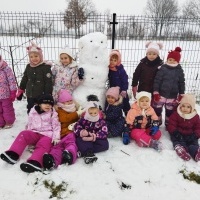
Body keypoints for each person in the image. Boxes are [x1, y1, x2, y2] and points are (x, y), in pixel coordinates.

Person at [0, 94, 61, 173]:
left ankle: (35, 162)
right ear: (39, 103)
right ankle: (13, 154)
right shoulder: (33, 111)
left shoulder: (52, 113)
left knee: (43, 145)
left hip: (47, 135)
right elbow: (30, 124)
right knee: (24, 134)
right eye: (45, 103)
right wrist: (29, 134)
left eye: (50, 104)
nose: (48, 106)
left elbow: (56, 126)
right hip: (35, 132)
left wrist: (56, 137)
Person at [42, 89, 83, 170]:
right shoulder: (60, 110)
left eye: (71, 100)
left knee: (71, 144)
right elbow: (65, 118)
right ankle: (52, 159)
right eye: (67, 101)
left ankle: (69, 155)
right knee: (57, 147)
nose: (70, 102)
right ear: (62, 103)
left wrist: (80, 114)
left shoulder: (75, 108)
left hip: (70, 133)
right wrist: (77, 113)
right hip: (60, 134)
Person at [16, 42, 53, 113]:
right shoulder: (28, 67)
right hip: (30, 94)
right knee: (31, 108)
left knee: (41, 109)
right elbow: (25, 78)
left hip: (41, 95)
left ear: (40, 56)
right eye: (31, 57)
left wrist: (47, 94)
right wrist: (21, 89)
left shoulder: (45, 67)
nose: (34, 58)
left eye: (36, 56)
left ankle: (42, 122)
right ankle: (32, 121)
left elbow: (48, 82)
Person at [152, 47, 185, 126]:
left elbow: (181, 82)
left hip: (172, 96)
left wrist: (181, 93)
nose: (172, 61)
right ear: (167, 59)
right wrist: (156, 92)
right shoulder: (163, 68)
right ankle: (157, 121)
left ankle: (168, 123)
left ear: (177, 61)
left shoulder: (179, 70)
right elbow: (157, 80)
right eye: (170, 59)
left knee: (170, 111)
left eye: (174, 60)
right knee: (157, 109)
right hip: (161, 95)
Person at [74, 95, 109, 164]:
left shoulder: (100, 121)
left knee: (105, 145)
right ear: (87, 112)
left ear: (98, 112)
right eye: (91, 113)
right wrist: (82, 132)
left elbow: (104, 131)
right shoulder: (84, 119)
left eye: (95, 113)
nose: (93, 115)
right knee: (79, 140)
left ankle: (85, 151)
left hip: (95, 138)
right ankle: (88, 153)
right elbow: (76, 126)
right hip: (86, 138)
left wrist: (95, 136)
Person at [167, 94, 200, 162]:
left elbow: (198, 127)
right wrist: (175, 132)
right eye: (183, 106)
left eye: (188, 107)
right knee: (176, 140)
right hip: (179, 134)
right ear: (180, 106)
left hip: (190, 135)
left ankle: (196, 152)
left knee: (193, 143)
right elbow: (171, 125)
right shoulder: (176, 114)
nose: (185, 108)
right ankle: (180, 149)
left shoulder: (195, 116)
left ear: (192, 108)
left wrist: (195, 135)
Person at [108, 49, 130, 116]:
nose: (112, 62)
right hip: (113, 91)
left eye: (115, 60)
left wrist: (124, 89)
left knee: (125, 102)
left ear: (118, 61)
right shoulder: (108, 69)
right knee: (116, 103)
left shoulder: (120, 70)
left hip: (121, 90)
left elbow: (125, 80)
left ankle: (127, 114)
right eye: (111, 60)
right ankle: (117, 116)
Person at [0, 55, 17, 129]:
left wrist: (13, 91)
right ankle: (1, 122)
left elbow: (11, 80)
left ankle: (9, 121)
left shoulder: (5, 68)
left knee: (7, 108)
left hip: (6, 94)